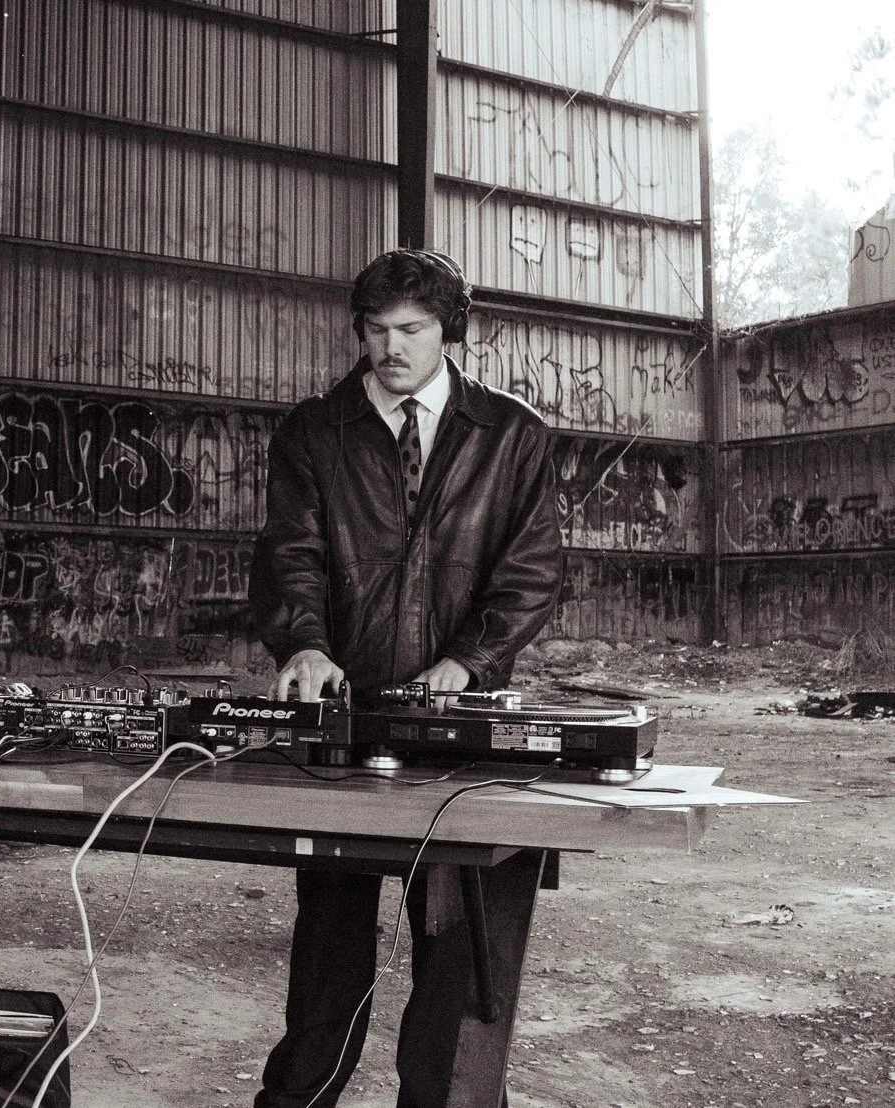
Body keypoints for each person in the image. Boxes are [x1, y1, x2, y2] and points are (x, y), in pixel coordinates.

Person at [249, 248, 564, 1108]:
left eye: (411, 331)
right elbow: (290, 554)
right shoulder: (315, 431)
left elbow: (531, 573)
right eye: (377, 330)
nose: (391, 349)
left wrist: (469, 663)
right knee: (327, 961)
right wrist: (303, 646)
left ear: (449, 332)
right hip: (340, 726)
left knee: (454, 965)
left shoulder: (514, 437)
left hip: (458, 730)